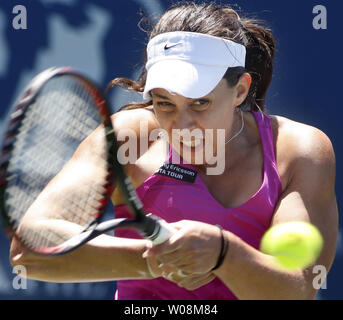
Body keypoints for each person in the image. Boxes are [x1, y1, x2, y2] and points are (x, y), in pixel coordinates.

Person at [10, 2, 338, 300]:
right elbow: (30, 252)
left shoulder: (300, 150)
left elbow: (299, 288)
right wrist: (154, 260)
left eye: (200, 103)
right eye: (165, 103)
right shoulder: (128, 136)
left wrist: (224, 254)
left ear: (240, 90)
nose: (182, 126)